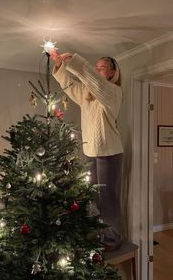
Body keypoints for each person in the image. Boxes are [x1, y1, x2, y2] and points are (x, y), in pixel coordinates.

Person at [50, 50, 124, 251]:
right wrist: (59, 66)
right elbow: (68, 85)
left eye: (101, 68)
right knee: (93, 198)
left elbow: (96, 84)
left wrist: (74, 61)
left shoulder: (113, 92)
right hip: (90, 150)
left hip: (109, 152)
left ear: (111, 74)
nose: (97, 70)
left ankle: (112, 240)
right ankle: (97, 234)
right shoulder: (87, 94)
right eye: (96, 67)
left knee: (108, 199)